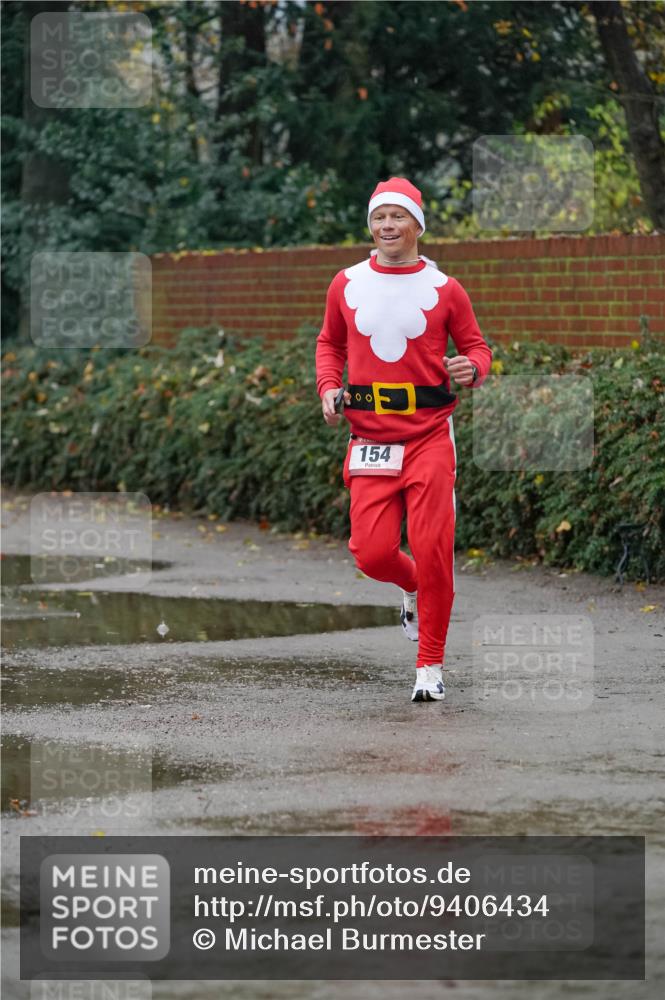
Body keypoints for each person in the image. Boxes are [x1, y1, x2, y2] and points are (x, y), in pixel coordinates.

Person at [315, 177, 492, 703]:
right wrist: (328, 388)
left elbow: (478, 348)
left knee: (436, 549)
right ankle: (413, 586)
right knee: (370, 553)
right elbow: (329, 342)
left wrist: (472, 370)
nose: (388, 226)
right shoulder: (344, 283)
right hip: (369, 435)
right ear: (370, 225)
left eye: (398, 217)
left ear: (417, 225)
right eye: (379, 218)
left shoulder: (445, 289)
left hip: (431, 435)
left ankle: (430, 666)